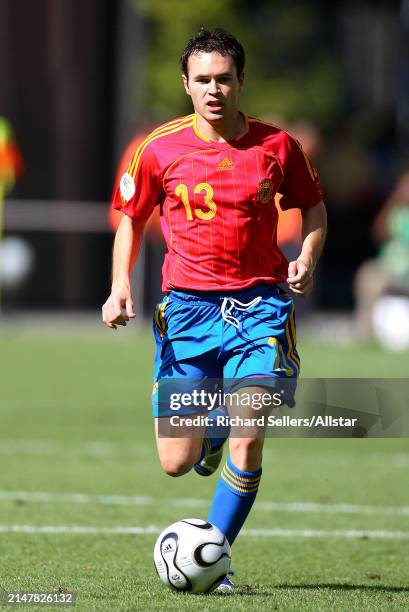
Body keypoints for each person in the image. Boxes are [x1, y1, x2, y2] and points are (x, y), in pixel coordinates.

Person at [102, 28, 327, 591]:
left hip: (259, 309)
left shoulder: (278, 146)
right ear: (186, 85)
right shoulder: (158, 148)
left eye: (223, 79)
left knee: (250, 431)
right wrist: (119, 286)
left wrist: (307, 257)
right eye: (202, 80)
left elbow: (315, 208)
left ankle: (213, 556)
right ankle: (213, 434)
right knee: (177, 461)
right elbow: (130, 219)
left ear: (240, 81)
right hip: (187, 314)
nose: (214, 90)